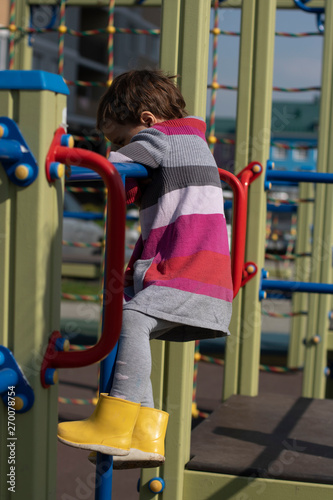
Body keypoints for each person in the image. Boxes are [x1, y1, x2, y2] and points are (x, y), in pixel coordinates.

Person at [57, 69, 233, 469]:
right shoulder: (192, 142)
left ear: (149, 120)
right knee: (137, 323)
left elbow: (109, 170)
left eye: (121, 137)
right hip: (206, 277)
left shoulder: (160, 138)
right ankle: (144, 438)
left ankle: (114, 424)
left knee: (130, 318)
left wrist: (62, 161)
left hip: (189, 270)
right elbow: (138, 182)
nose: (120, 146)